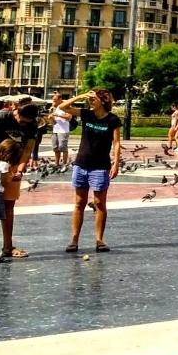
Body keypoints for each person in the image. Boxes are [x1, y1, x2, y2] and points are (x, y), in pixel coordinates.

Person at [0, 100, 39, 260]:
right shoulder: (1, 118)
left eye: (24, 122)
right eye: (19, 117)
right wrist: (0, 158)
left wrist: (20, 168)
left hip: (12, 165)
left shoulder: (32, 126)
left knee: (9, 205)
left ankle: (8, 247)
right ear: (15, 109)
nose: (20, 122)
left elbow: (28, 149)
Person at [60, 88, 123, 253]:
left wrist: (116, 163)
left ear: (102, 101)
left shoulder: (113, 120)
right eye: (89, 100)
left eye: (93, 99)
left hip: (100, 167)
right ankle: (74, 240)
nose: (90, 102)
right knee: (79, 203)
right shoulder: (86, 114)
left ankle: (99, 240)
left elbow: (116, 143)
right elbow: (63, 107)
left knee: (99, 204)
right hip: (81, 164)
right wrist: (81, 96)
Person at [50, 92, 73, 167]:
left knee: (62, 147)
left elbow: (69, 117)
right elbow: (54, 121)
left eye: (55, 100)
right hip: (55, 130)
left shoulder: (67, 106)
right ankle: (57, 164)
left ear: (60, 99)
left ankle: (64, 164)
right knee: (55, 148)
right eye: (53, 100)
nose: (53, 102)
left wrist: (58, 115)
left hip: (63, 130)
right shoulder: (54, 107)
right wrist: (51, 118)